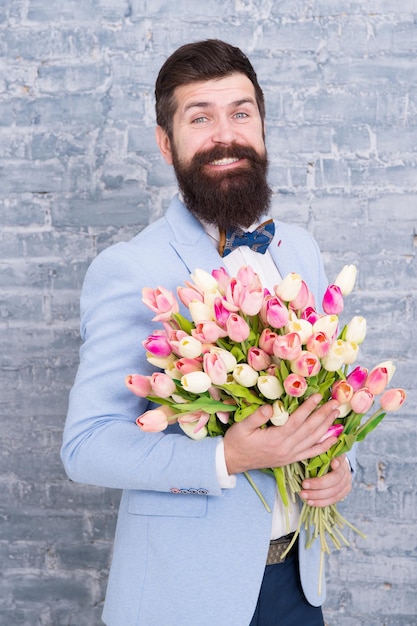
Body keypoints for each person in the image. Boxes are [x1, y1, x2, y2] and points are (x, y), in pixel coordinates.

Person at [61, 39, 354, 626]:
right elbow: (86, 446)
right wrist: (226, 457)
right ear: (166, 143)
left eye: (241, 113)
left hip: (300, 586)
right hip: (185, 598)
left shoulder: (299, 248)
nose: (226, 135)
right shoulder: (133, 270)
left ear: (262, 126)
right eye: (201, 117)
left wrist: (337, 459)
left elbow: (325, 391)